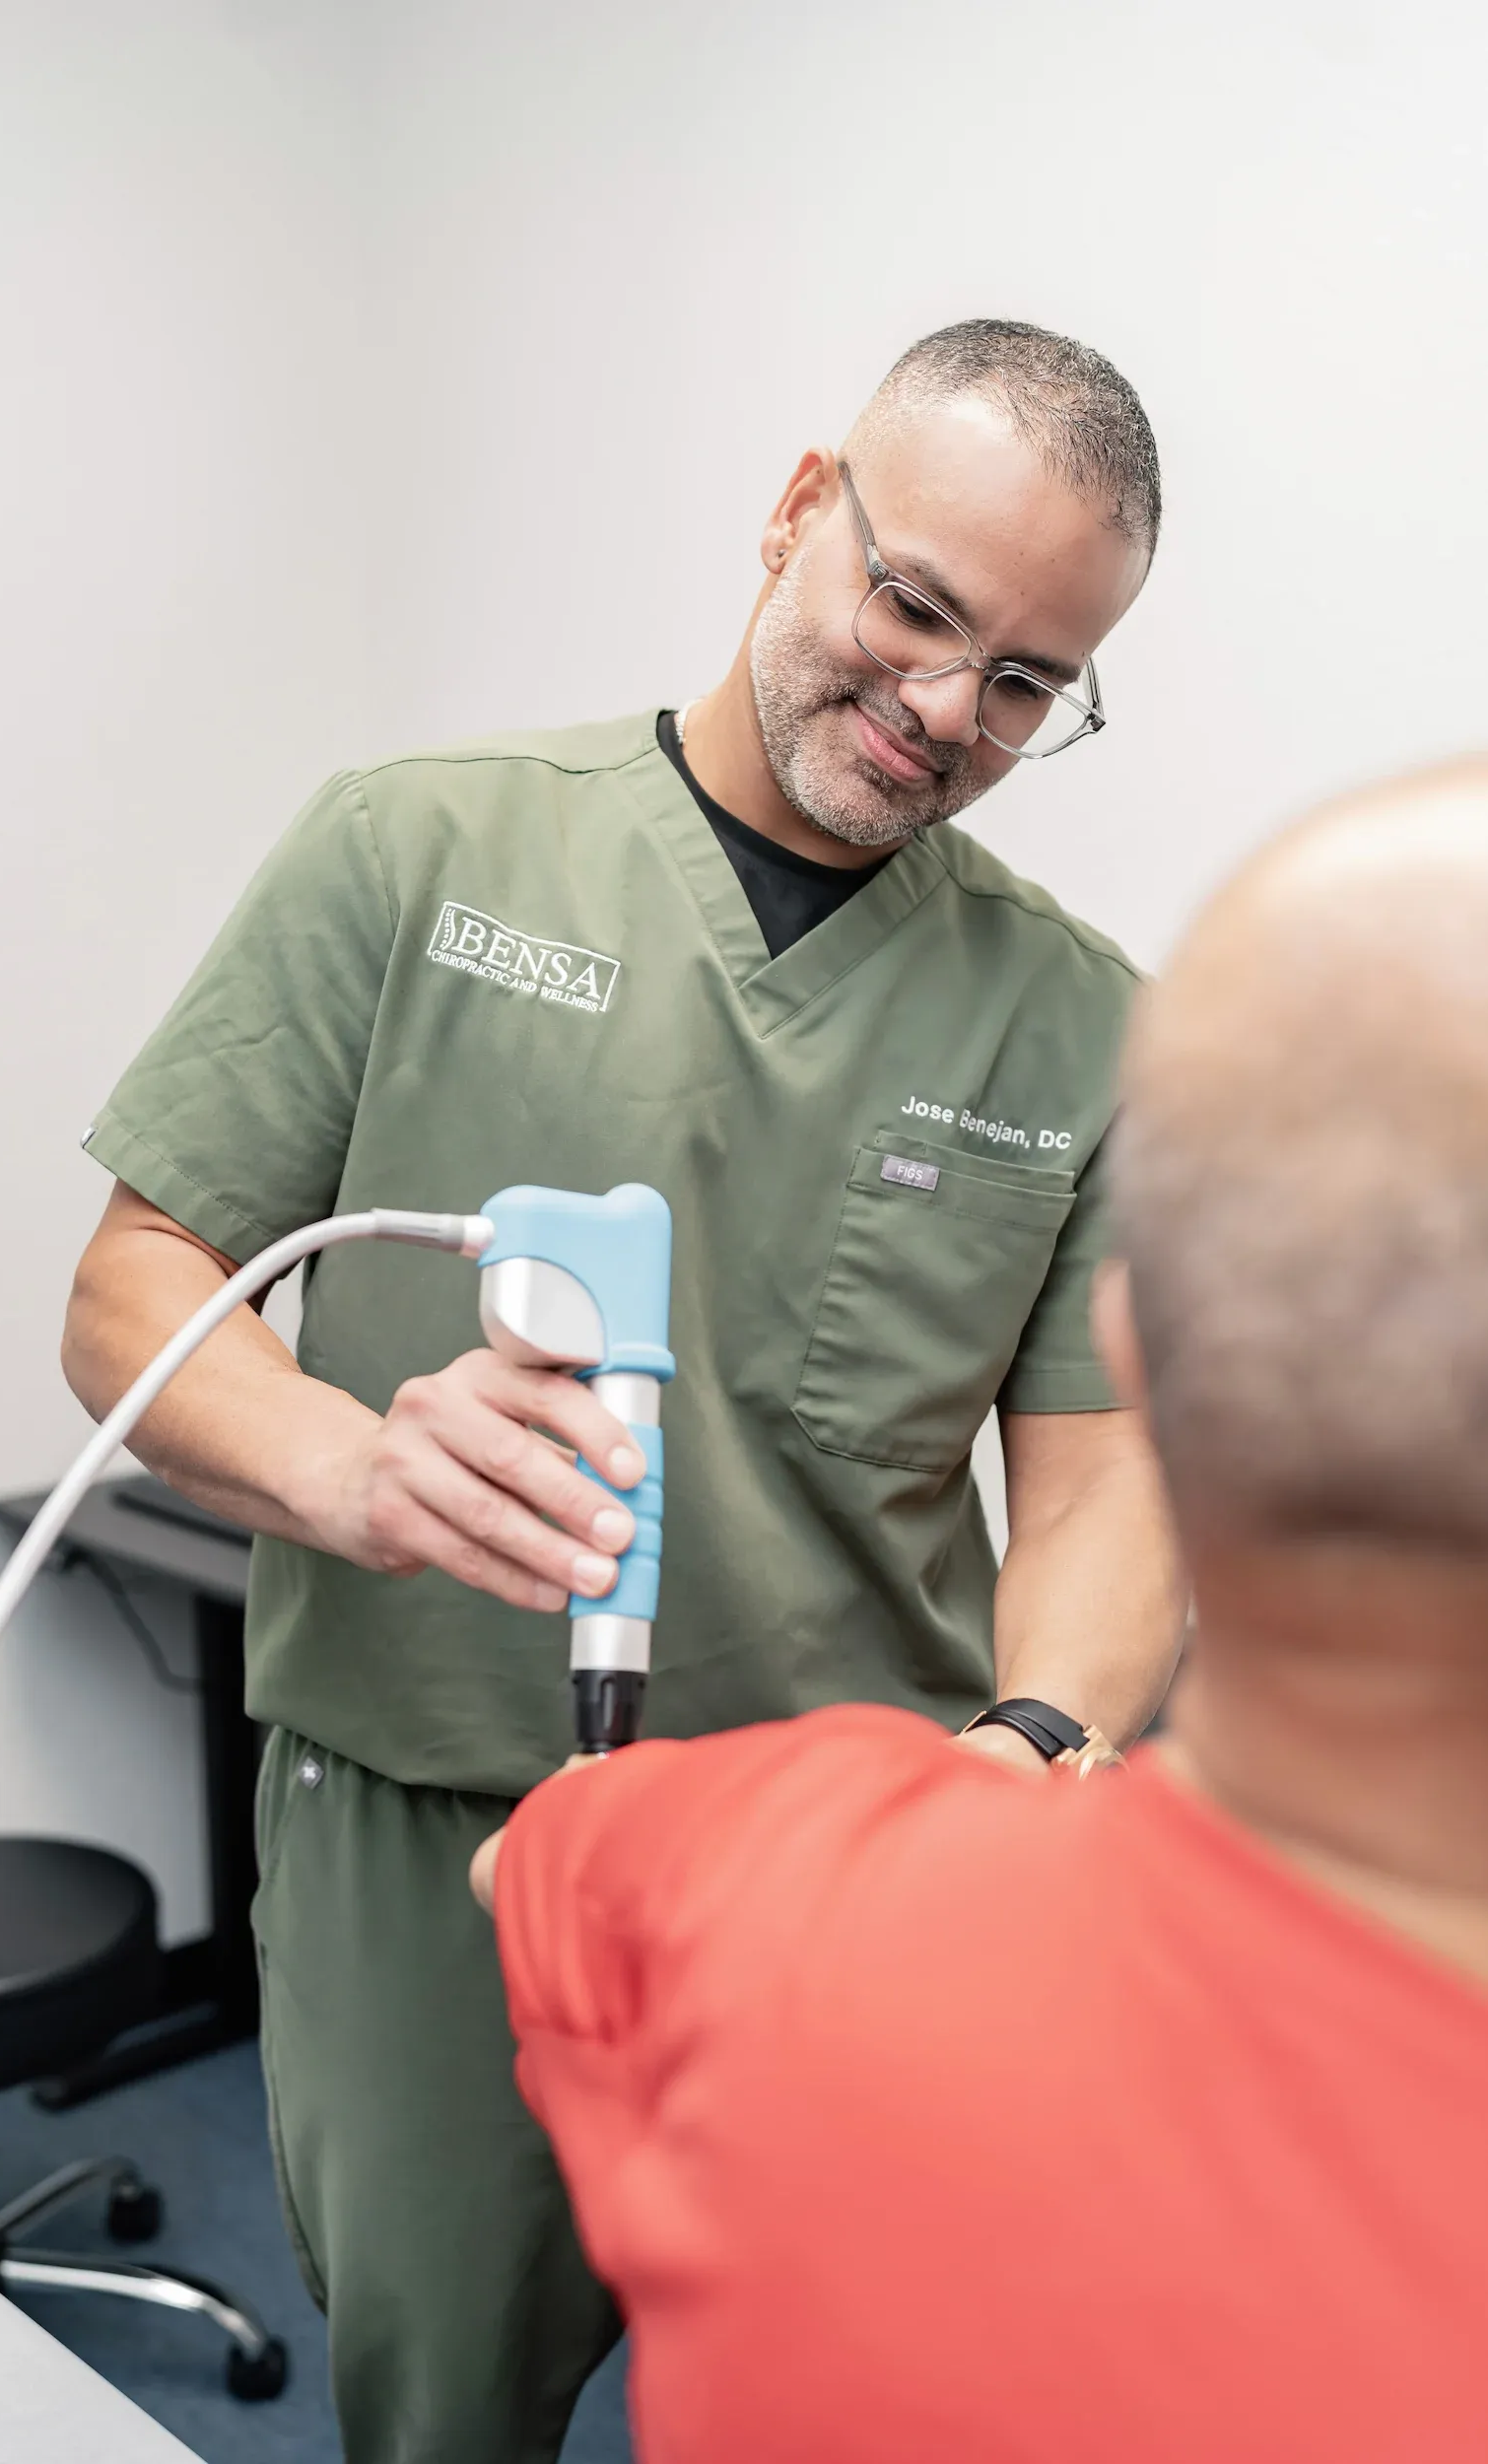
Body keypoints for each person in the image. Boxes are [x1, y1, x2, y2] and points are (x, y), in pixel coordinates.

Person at [61, 319, 1185, 2463]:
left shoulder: (1072, 1025)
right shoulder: (417, 851)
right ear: (792, 513)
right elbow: (133, 1287)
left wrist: (1036, 1733)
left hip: (835, 1884)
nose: (946, 709)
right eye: (915, 606)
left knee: (823, 2403)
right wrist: (359, 1465)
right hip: (430, 1835)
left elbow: (1105, 1475)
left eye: (1028, 681)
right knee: (445, 2408)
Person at [474, 757, 1488, 2464]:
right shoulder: (420, 837)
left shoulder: (763, 1880)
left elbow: (540, 1864)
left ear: (1142, 1359)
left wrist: (969, 1798)